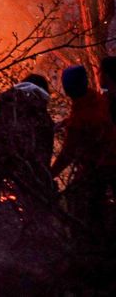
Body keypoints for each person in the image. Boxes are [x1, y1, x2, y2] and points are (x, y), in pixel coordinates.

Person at [0, 74, 55, 214]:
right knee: (34, 203)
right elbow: (45, 152)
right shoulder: (42, 115)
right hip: (25, 164)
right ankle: (29, 225)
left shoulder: (2, 100)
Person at [51, 65, 116, 227]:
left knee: (82, 206)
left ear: (67, 88)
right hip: (108, 160)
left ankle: (92, 242)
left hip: (101, 167)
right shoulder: (97, 99)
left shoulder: (79, 121)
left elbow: (67, 154)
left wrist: (49, 174)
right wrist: (64, 123)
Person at [100, 56, 116, 126]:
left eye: (100, 72)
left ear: (107, 76)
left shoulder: (111, 106)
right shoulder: (107, 93)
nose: (98, 75)